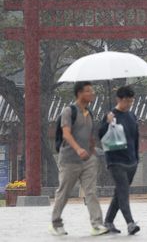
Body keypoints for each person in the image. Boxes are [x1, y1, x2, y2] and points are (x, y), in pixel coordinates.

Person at [49, 81, 109, 236]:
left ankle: (97, 224)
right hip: (69, 159)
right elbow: (66, 133)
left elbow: (88, 135)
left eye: (92, 91)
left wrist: (92, 149)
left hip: (88, 159)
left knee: (91, 192)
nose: (92, 94)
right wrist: (78, 149)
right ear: (79, 93)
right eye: (89, 91)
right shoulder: (69, 111)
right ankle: (56, 223)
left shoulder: (89, 113)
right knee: (64, 192)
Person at [98, 86, 140, 235]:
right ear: (119, 99)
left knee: (120, 193)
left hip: (131, 161)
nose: (129, 104)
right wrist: (107, 123)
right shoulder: (110, 115)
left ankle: (108, 221)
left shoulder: (132, 116)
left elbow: (135, 139)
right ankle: (130, 223)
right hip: (115, 161)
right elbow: (101, 135)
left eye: (131, 101)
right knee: (123, 192)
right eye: (126, 101)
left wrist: (137, 158)